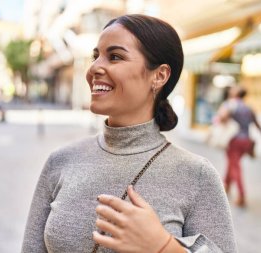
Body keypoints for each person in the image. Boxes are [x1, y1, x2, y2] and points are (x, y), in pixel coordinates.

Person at [21, 14, 236, 253]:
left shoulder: (197, 176)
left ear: (160, 75)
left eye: (115, 57)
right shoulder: (60, 162)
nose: (94, 68)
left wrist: (162, 247)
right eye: (96, 56)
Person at [218, 86, 261, 207]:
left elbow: (222, 117)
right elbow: (257, 123)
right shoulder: (248, 107)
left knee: (235, 166)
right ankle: (226, 186)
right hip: (246, 141)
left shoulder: (230, 105)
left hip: (234, 139)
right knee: (232, 163)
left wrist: (222, 120)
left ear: (236, 94)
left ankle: (242, 196)